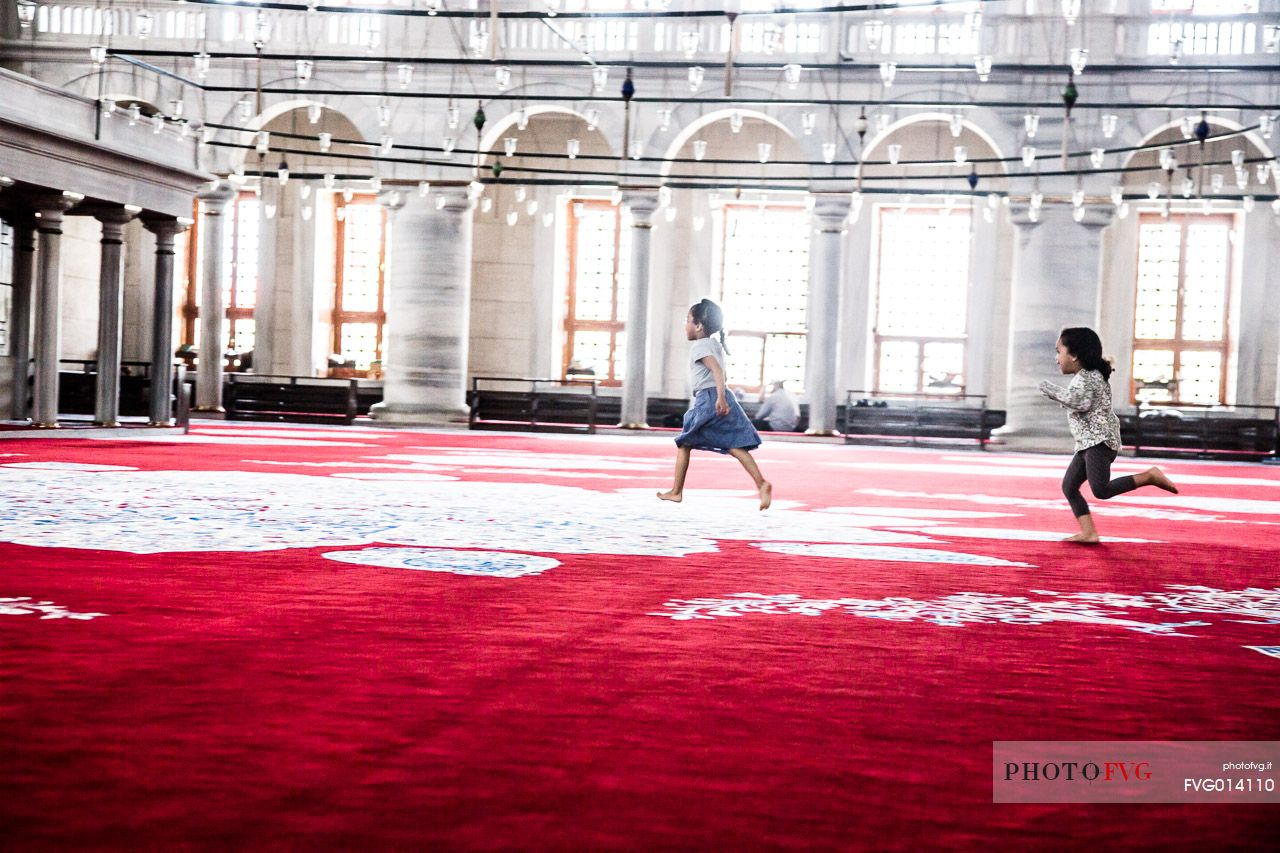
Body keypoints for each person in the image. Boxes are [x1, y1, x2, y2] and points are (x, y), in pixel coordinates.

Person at [1038, 327, 1178, 544]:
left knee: (1101, 490)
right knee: (1069, 487)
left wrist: (1049, 388)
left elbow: (1080, 403)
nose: (1056, 359)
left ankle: (1149, 476)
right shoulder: (1084, 376)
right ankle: (1089, 532)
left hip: (1100, 441)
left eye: (1059, 352)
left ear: (1074, 355)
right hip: (1087, 442)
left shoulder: (1090, 378)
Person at [658, 299, 772, 511]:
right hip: (720, 396)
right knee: (734, 446)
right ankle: (762, 483)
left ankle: (676, 491)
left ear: (699, 325)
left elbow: (717, 372)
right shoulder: (714, 344)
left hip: (709, 399)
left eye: (688, 321)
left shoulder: (700, 347)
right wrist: (722, 395)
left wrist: (719, 397)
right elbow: (720, 371)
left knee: (684, 443)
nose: (686, 325)